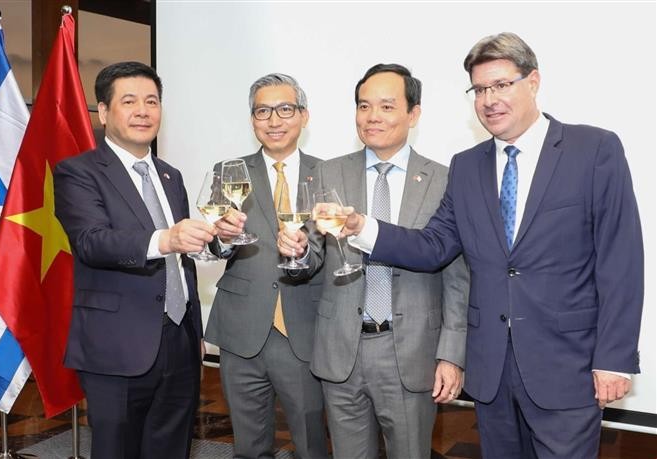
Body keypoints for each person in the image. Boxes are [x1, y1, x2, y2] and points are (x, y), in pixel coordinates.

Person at [341, 33, 644, 459]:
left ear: (533, 81)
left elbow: (621, 260)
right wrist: (362, 227)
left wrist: (613, 358)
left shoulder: (594, 149)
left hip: (567, 367)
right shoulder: (466, 167)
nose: (489, 99)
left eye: (502, 85)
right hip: (490, 371)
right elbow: (433, 247)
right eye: (480, 89)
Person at [278, 63, 469, 458]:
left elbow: (457, 275)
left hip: (411, 351)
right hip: (341, 350)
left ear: (413, 114)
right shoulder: (329, 172)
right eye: (364, 107)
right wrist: (297, 251)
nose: (372, 117)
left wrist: (451, 354)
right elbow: (314, 255)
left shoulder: (444, 179)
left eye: (386, 106)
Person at [54, 61, 215, 459]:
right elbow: (92, 242)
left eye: (152, 101)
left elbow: (179, 255)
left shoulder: (169, 175)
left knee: (172, 448)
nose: (143, 110)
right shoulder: (78, 172)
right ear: (105, 112)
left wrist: (213, 241)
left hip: (179, 341)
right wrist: (168, 237)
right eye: (129, 101)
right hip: (117, 345)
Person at [205, 73, 328, 458]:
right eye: (263, 111)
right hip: (241, 330)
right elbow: (216, 245)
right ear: (252, 119)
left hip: (303, 332)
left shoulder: (327, 173)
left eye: (285, 109)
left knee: (311, 444)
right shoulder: (229, 171)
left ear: (304, 116)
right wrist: (222, 237)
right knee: (248, 446)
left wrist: (303, 252)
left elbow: (327, 249)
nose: (274, 120)